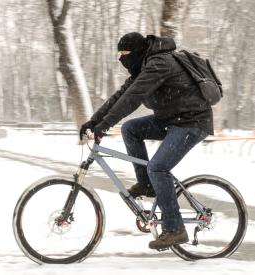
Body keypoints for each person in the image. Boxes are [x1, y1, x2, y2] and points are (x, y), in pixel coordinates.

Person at [80, 32, 213, 250]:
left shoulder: (159, 64)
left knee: (158, 167)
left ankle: (174, 229)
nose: (122, 59)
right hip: (173, 119)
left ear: (137, 52)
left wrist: (103, 126)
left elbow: (131, 100)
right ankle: (147, 185)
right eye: (119, 55)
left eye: (124, 54)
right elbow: (120, 97)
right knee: (130, 129)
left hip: (192, 122)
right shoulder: (142, 67)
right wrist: (93, 122)